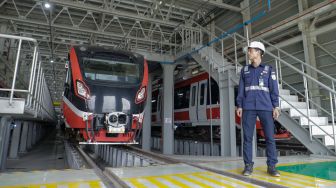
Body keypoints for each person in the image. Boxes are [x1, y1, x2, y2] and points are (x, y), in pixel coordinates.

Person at [236, 41, 281, 177]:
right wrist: (239, 105)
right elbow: (241, 90)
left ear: (258, 52)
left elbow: (274, 89)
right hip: (248, 107)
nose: (248, 52)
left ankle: (272, 166)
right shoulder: (245, 70)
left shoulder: (268, 70)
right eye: (249, 50)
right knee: (247, 138)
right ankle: (248, 166)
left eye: (250, 50)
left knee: (269, 138)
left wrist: (276, 106)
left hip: (266, 107)